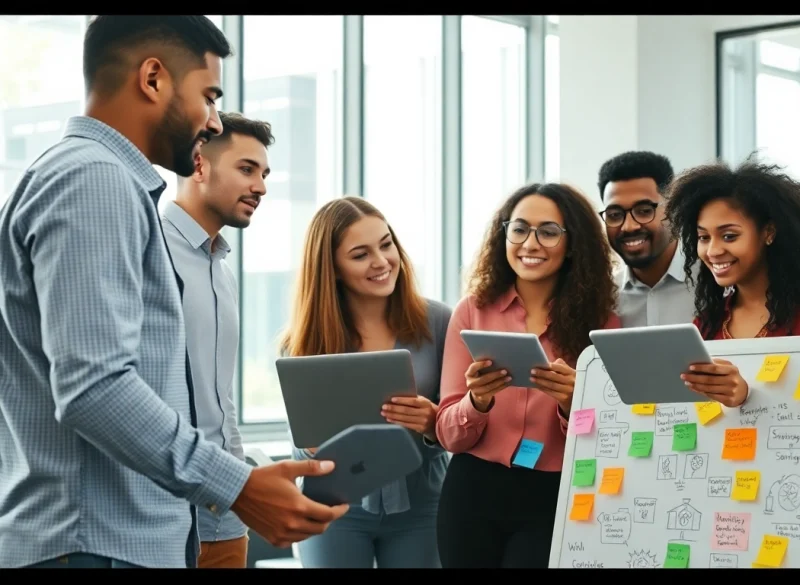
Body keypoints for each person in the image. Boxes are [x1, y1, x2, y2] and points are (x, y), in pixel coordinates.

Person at [0, 16, 345, 570]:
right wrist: (237, 486)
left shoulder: (92, 178)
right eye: (208, 96)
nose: (212, 121)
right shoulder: (96, 179)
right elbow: (94, 385)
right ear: (154, 78)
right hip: (96, 544)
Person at [435, 182, 621, 568]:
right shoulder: (471, 311)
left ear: (573, 244)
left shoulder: (602, 324)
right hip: (472, 490)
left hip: (553, 494)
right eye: (519, 229)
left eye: (548, 232)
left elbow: (609, 437)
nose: (530, 243)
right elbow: (448, 433)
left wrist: (573, 404)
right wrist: (477, 401)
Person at [281, 197, 451, 569]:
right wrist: (310, 447)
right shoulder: (304, 342)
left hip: (424, 506)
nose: (381, 261)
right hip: (334, 508)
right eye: (360, 254)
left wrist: (432, 422)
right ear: (333, 268)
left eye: (386, 244)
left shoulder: (439, 322)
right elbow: (303, 446)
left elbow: (461, 421)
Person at [161, 111, 275, 568]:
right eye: (247, 169)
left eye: (264, 174)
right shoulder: (147, 250)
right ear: (199, 164)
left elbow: (220, 399)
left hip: (226, 519)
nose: (262, 187)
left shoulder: (221, 271)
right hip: (164, 517)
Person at [665, 158, 800, 408]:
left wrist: (748, 397)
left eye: (729, 236)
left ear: (769, 232)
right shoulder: (708, 324)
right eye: (703, 237)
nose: (713, 250)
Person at [597, 151, 695, 328]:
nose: (628, 226)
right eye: (614, 215)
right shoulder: (604, 297)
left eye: (644, 211)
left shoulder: (713, 283)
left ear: (674, 209)